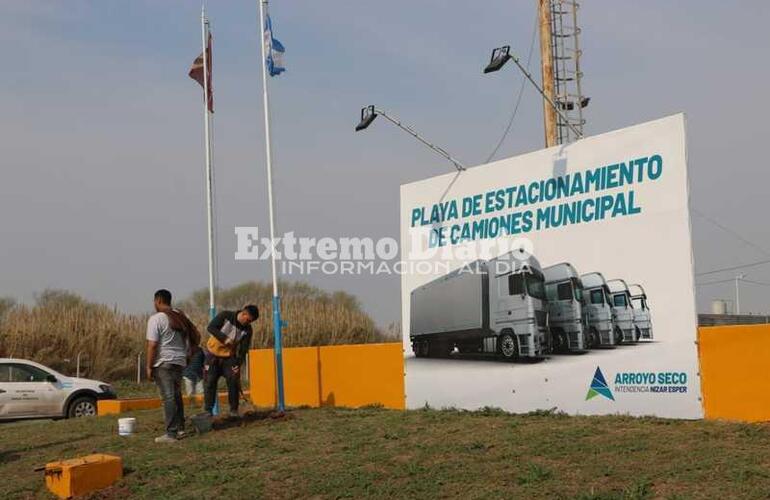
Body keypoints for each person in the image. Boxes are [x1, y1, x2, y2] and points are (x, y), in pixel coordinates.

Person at [145, 289, 200, 443]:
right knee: (176, 396)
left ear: (158, 301)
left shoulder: (156, 319)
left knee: (168, 397)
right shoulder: (179, 316)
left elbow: (152, 345)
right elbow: (193, 336)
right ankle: (180, 428)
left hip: (163, 362)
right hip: (180, 361)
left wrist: (149, 366)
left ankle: (171, 434)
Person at [204, 305, 258, 417]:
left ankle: (233, 410)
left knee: (233, 380)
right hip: (212, 354)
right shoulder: (225, 316)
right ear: (243, 313)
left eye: (250, 322)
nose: (248, 323)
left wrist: (238, 363)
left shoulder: (248, 330)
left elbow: (243, 349)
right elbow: (211, 328)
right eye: (248, 320)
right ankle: (208, 411)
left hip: (229, 358)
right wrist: (224, 339)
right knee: (210, 382)